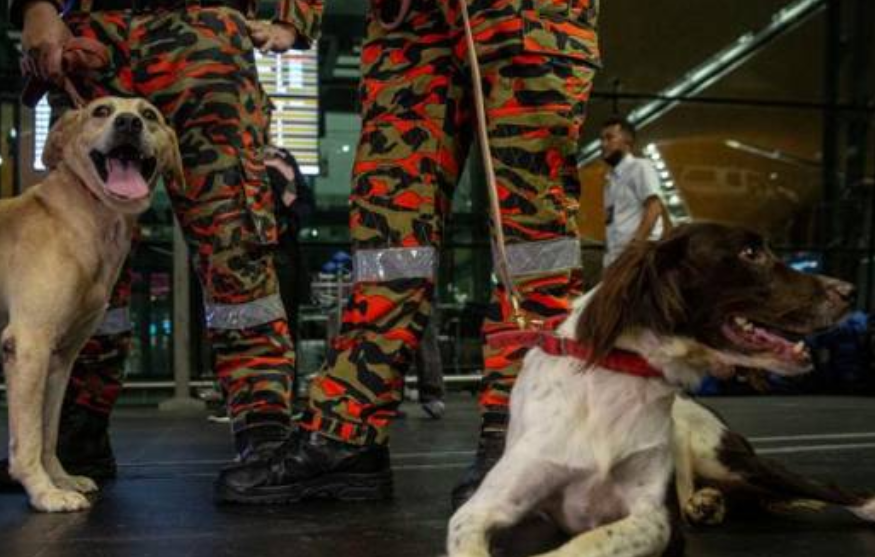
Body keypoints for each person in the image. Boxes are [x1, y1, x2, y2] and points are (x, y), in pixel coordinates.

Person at [214, 0, 600, 506]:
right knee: (387, 243)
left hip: (525, 15)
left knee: (533, 238)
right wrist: (295, 15)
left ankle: (523, 429)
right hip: (407, 28)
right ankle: (347, 433)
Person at [0, 0, 324, 487]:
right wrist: (36, 7)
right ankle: (73, 432)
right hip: (91, 43)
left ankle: (263, 427)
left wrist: (296, 18)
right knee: (78, 257)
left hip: (203, 39)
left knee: (236, 243)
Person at [599, 116, 670, 267]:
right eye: (602, 139)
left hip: (638, 259)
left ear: (628, 141)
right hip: (616, 261)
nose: (603, 144)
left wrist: (636, 247)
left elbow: (654, 207)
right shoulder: (610, 182)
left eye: (609, 138)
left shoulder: (640, 167)